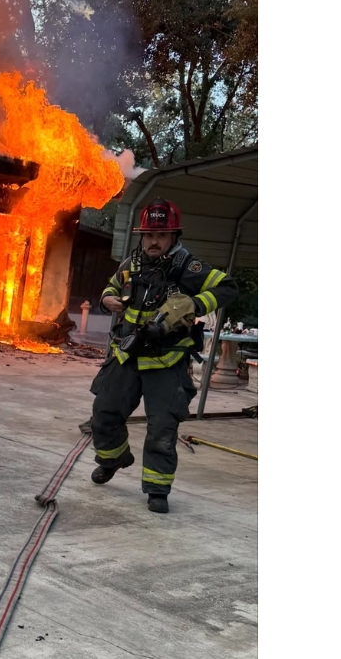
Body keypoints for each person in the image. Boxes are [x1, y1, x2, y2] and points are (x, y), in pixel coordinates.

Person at [89, 199, 238, 513]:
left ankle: (157, 489)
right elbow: (110, 288)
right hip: (126, 354)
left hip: (167, 360)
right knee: (103, 414)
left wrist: (193, 305)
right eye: (148, 235)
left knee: (162, 428)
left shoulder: (188, 267)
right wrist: (109, 300)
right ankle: (114, 458)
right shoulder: (132, 264)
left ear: (174, 237)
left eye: (161, 235)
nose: (153, 241)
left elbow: (227, 287)